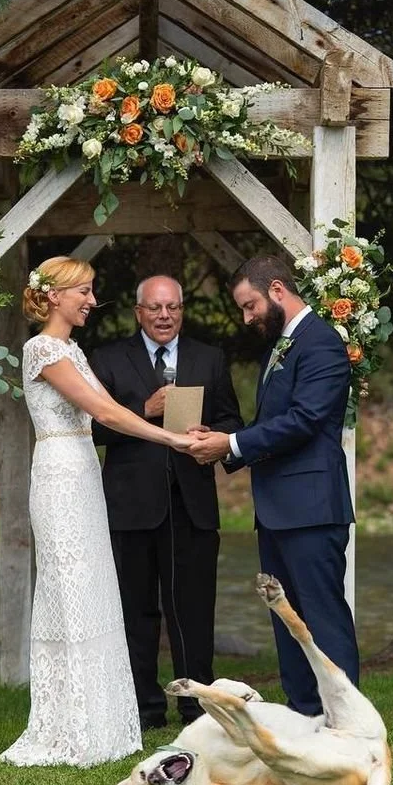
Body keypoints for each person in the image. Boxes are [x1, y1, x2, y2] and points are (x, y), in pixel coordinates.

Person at [0, 257, 192, 767]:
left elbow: (115, 408)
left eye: (91, 291)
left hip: (85, 471)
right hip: (60, 473)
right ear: (55, 296)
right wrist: (172, 437)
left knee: (95, 588)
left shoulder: (72, 350)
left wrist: (167, 422)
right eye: (83, 291)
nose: (90, 300)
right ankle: (69, 723)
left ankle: (102, 719)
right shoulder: (41, 348)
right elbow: (106, 413)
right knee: (69, 588)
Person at [188, 256, 358, 717]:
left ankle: (345, 722)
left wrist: (233, 442)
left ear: (278, 290)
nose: (247, 318)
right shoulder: (280, 346)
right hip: (279, 509)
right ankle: (305, 713)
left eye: (250, 306)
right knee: (287, 619)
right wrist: (223, 443)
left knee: (322, 617)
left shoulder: (320, 342)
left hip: (312, 508)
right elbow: (271, 425)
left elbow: (304, 421)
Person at [89, 275, 243, 730]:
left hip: (192, 506)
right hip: (131, 508)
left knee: (193, 611)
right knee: (136, 612)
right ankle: (143, 708)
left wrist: (211, 435)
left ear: (182, 310)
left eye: (173, 307)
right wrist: (144, 412)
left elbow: (232, 419)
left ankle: (198, 708)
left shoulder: (209, 358)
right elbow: (93, 431)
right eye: (155, 308)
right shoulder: (109, 359)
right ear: (138, 312)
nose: (164, 316)